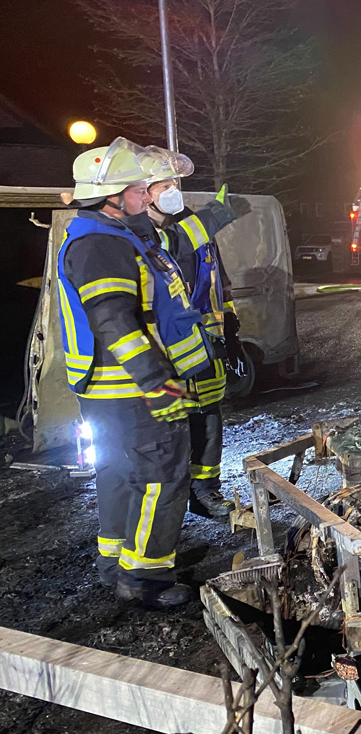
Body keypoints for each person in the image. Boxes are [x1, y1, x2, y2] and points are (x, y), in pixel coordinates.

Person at [58, 138, 211, 609]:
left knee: (121, 475)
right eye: (139, 190)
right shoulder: (101, 246)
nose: (147, 196)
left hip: (113, 390)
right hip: (131, 391)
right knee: (162, 476)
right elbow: (115, 323)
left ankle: (116, 564)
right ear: (112, 197)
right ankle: (145, 579)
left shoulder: (105, 235)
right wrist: (156, 383)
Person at [141, 147, 242, 517]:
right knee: (172, 429)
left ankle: (205, 492)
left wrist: (231, 329)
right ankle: (170, 505)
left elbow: (219, 281)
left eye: (175, 183)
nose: (173, 191)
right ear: (143, 192)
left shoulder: (193, 225)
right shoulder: (141, 236)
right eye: (164, 185)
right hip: (167, 353)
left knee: (209, 419)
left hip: (206, 345)